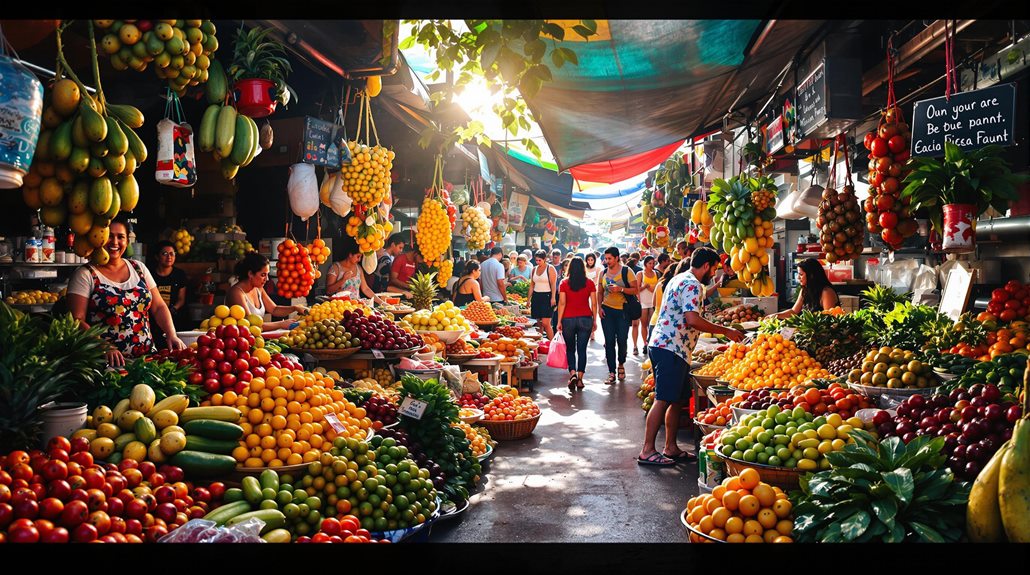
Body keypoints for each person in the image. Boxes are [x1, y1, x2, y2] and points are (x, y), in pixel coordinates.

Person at [637, 247, 745, 466]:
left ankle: (670, 447)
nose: (713, 273)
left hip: (670, 346)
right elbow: (692, 319)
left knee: (676, 399)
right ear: (706, 266)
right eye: (714, 268)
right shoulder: (692, 284)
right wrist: (726, 331)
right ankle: (647, 450)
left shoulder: (679, 278)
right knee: (663, 399)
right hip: (671, 348)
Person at [67, 215, 186, 366]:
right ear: (98, 238)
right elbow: (76, 320)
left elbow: (159, 306)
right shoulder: (85, 274)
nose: (115, 242)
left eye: (120, 237)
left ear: (127, 241)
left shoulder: (139, 268)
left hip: (146, 361)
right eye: (109, 236)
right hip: (106, 365)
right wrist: (103, 346)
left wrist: (171, 334)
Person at [226, 252, 309, 331]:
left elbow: (274, 309)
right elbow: (250, 324)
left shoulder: (258, 288)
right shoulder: (236, 293)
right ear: (250, 274)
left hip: (257, 338)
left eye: (267, 274)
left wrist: (295, 308)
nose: (267, 279)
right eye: (263, 275)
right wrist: (281, 324)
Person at [597, 247, 639, 385]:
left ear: (616, 258)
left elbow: (635, 290)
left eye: (610, 258)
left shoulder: (627, 271)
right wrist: (599, 307)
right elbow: (600, 291)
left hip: (623, 311)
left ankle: (621, 363)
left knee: (622, 340)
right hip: (607, 311)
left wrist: (620, 289)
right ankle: (611, 372)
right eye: (606, 258)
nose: (607, 261)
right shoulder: (603, 273)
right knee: (609, 342)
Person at [556, 256, 596, 391]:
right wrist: (595, 320)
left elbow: (562, 303)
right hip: (585, 318)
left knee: (570, 349)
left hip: (568, 319)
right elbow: (594, 304)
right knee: (582, 349)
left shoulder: (564, 283)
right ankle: (580, 379)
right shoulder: (589, 283)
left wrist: (559, 321)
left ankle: (572, 373)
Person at [767, 258, 840, 319]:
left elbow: (829, 318)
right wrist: (775, 315)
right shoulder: (805, 290)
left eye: (801, 274)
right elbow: (794, 311)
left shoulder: (826, 292)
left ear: (811, 275)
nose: (798, 277)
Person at [149, 240, 189, 350]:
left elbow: (181, 299)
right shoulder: (150, 274)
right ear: (157, 257)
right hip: (154, 320)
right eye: (165, 254)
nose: (169, 257)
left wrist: (173, 309)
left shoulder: (179, 274)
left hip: (175, 318)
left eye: (172, 254)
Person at [325, 236, 386, 304]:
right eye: (358, 256)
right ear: (350, 255)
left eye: (361, 257)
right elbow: (328, 291)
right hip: (340, 307)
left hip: (357, 307)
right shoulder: (335, 268)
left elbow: (365, 289)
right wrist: (343, 280)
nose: (359, 259)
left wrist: (382, 302)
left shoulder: (358, 268)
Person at [634, 255, 659, 355]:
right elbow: (636, 289)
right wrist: (645, 286)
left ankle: (650, 343)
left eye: (653, 263)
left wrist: (650, 288)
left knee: (651, 325)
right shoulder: (640, 274)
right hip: (643, 302)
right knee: (644, 324)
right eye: (650, 263)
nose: (652, 265)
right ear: (645, 264)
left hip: (653, 302)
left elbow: (657, 288)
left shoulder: (656, 273)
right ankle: (645, 343)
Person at [530, 249, 558, 340]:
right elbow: (532, 285)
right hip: (536, 296)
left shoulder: (550, 268)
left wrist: (553, 297)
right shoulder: (534, 269)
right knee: (539, 324)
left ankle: (553, 344)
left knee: (546, 323)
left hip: (547, 296)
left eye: (540, 260)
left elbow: (554, 284)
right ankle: (540, 344)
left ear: (544, 259)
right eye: (536, 260)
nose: (538, 262)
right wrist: (528, 299)